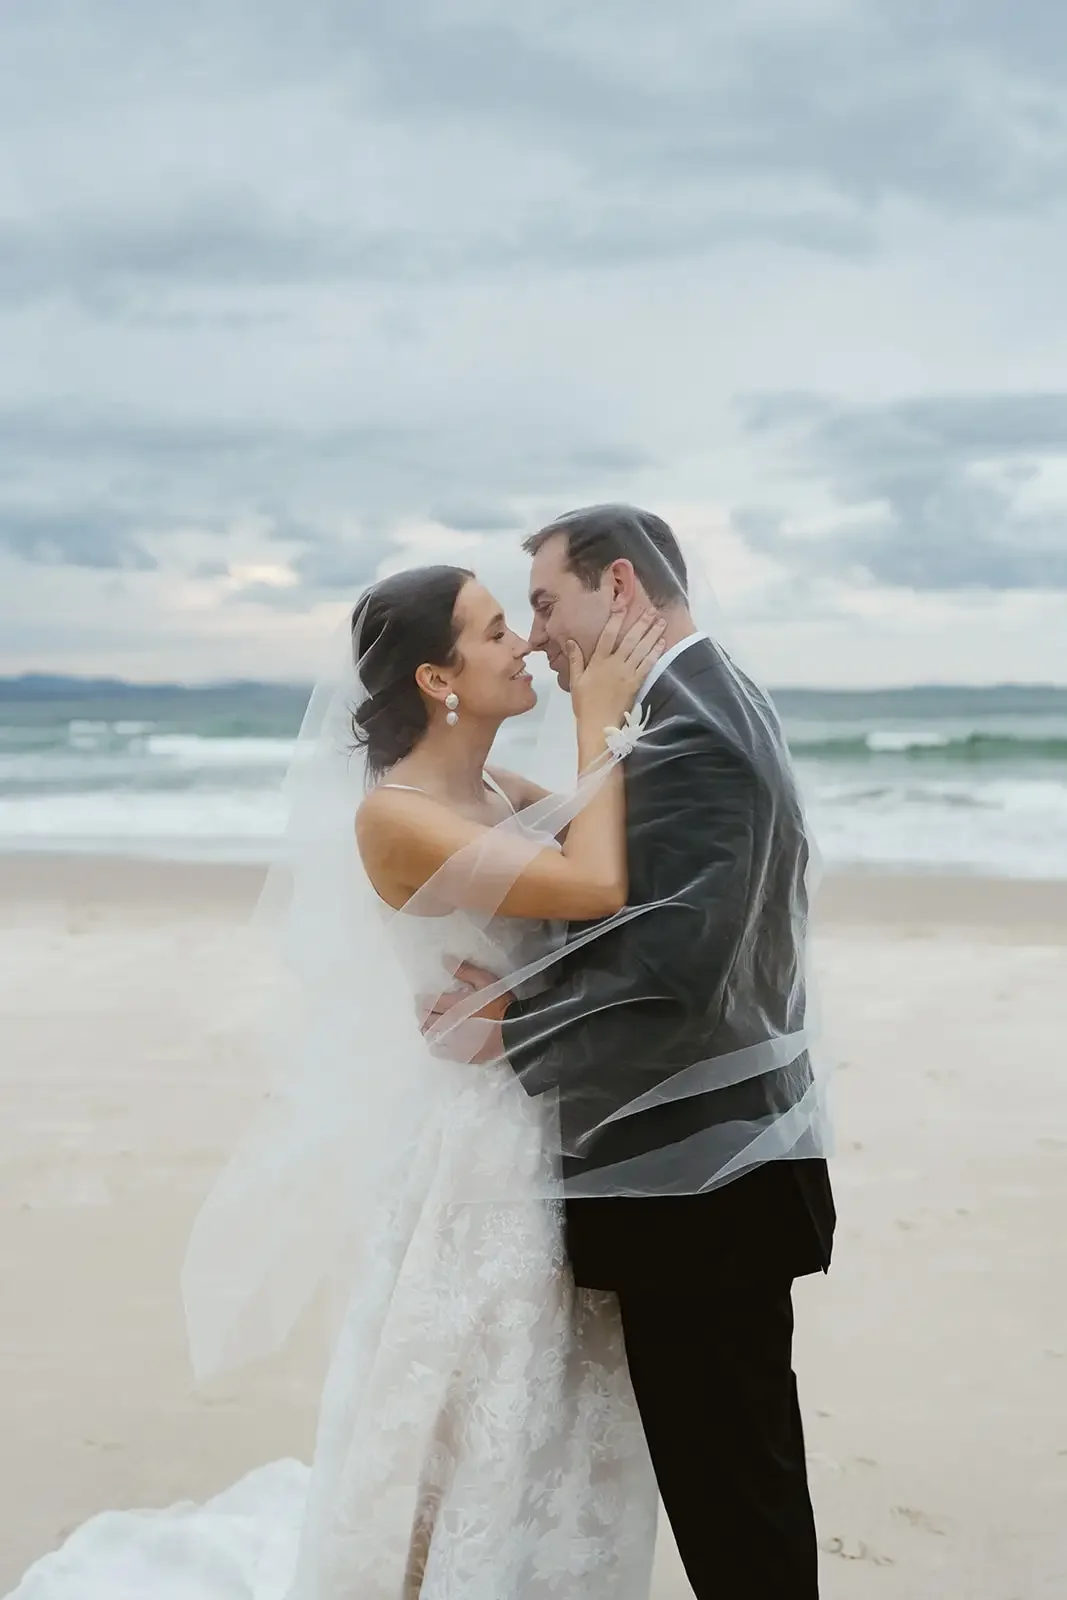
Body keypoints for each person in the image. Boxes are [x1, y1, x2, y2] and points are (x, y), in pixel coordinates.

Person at [426, 506, 837, 1600]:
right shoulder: (702, 698)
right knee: (735, 1479)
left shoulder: (688, 727)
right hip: (710, 1173)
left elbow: (677, 967)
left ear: (618, 586)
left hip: (700, 1189)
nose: (538, 633)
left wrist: (509, 1023)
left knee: (731, 1498)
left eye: (548, 603)